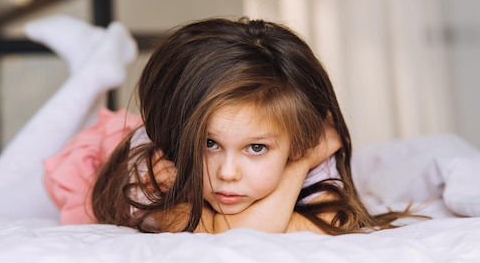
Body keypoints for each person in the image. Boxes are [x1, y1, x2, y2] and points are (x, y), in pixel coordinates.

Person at [90, 17, 411, 235]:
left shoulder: (304, 139)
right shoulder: (157, 170)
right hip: (93, 154)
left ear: (299, 141)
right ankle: (89, 69)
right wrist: (298, 167)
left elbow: (333, 221)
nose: (228, 173)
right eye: (209, 143)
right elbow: (229, 235)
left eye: (256, 148)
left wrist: (304, 163)